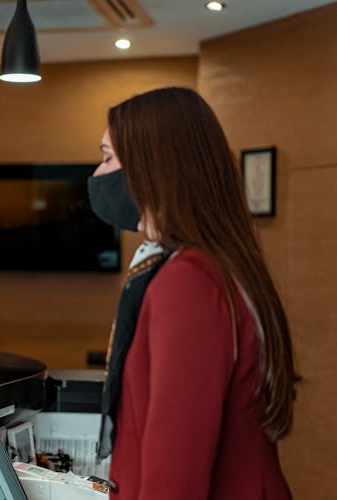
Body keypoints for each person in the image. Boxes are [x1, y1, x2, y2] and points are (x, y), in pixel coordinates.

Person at [88, 87, 297, 499]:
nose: (97, 175)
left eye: (108, 157)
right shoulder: (210, 263)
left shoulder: (188, 282)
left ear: (152, 169)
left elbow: (175, 475)